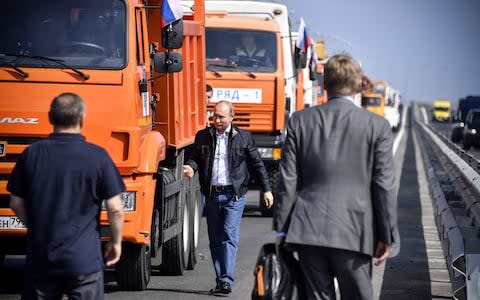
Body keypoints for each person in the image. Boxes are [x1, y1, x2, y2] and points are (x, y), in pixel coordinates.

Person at [273, 54, 399, 300]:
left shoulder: (300, 121)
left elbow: (287, 179)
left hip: (308, 229)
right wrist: (386, 235)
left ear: (324, 84)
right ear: (358, 85)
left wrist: (284, 230)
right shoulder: (377, 126)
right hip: (356, 231)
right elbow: (383, 185)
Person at [7, 92, 125, 300]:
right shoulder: (97, 156)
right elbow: (115, 208)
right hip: (84, 260)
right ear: (82, 118)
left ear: (50, 118)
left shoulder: (31, 154)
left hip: (42, 258)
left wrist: (35, 226)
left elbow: (16, 202)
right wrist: (116, 243)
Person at [183, 100, 274, 294]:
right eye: (214, 115)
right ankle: (220, 279)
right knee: (215, 239)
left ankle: (226, 280)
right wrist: (191, 166)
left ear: (232, 117)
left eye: (221, 117)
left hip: (234, 196)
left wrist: (267, 189)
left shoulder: (243, 137)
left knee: (228, 235)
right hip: (212, 195)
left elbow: (257, 164)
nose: (217, 120)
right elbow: (195, 157)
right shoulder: (203, 136)